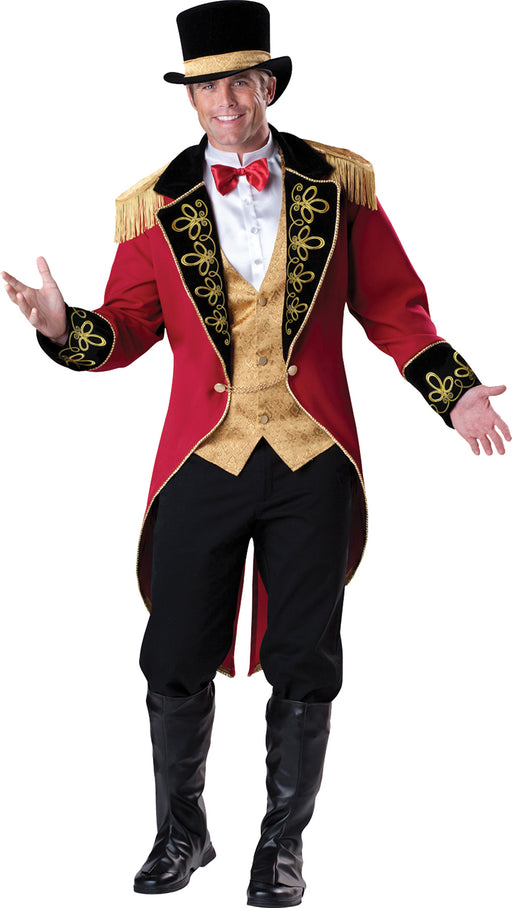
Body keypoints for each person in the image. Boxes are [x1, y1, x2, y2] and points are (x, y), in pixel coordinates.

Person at [2, 2, 509, 906]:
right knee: (173, 650)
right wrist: (62, 327)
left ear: (267, 85)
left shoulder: (337, 186)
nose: (227, 101)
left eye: (241, 81)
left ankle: (280, 848)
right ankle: (182, 832)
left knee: (306, 656)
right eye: (209, 87)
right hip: (202, 459)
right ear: (191, 98)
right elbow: (127, 329)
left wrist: (455, 390)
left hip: (313, 457)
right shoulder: (154, 206)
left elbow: (395, 308)